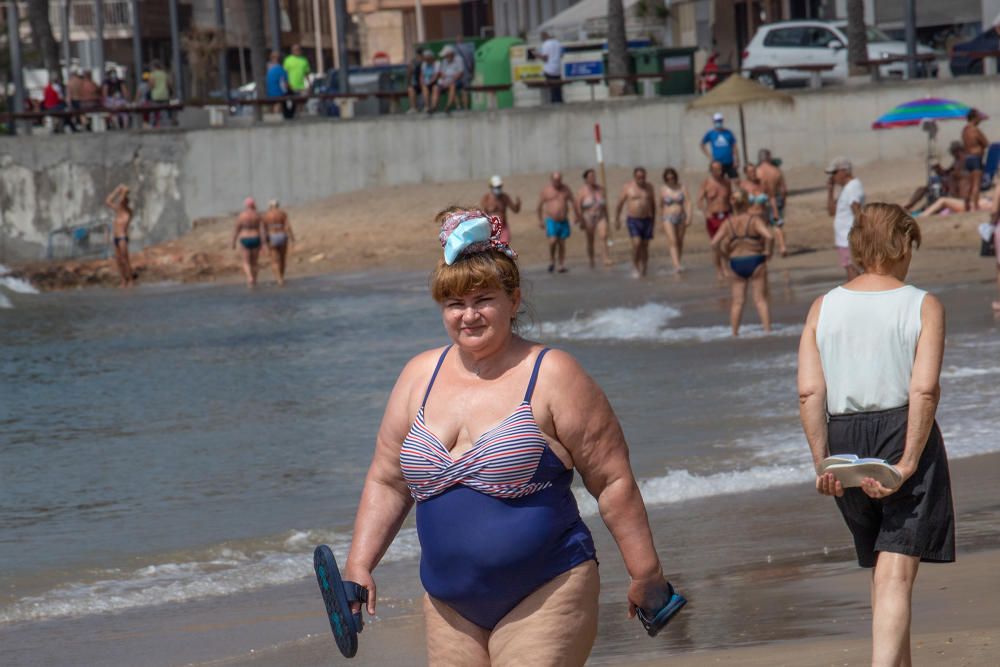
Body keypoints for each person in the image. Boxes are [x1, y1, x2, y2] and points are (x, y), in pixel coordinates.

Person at [342, 208, 684, 666]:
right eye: (454, 304)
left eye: (482, 299)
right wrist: (360, 564)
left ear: (514, 299)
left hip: (548, 589)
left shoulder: (553, 375)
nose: (468, 316)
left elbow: (612, 481)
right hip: (449, 607)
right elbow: (387, 481)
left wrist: (646, 572)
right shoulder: (417, 376)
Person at [798, 203, 955, 667]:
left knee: (883, 567)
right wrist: (908, 463)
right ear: (902, 243)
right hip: (900, 430)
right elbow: (924, 389)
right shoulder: (922, 304)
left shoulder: (823, 307)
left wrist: (822, 462)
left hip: (843, 439)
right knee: (895, 573)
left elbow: (809, 392)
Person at [710, 188, 773, 335]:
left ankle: (734, 333)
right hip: (756, 260)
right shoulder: (753, 220)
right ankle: (768, 331)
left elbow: (714, 243)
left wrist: (725, 256)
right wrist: (768, 251)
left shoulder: (728, 223)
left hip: (736, 262)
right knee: (760, 300)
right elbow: (769, 236)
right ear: (747, 203)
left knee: (737, 302)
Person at [826, 156, 864, 280]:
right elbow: (832, 212)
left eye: (834, 173)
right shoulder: (846, 189)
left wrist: (860, 233)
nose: (832, 177)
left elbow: (856, 209)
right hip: (843, 239)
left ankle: (856, 298)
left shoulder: (853, 186)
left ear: (844, 171)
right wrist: (830, 191)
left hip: (849, 238)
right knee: (850, 268)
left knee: (853, 270)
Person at [615, 167, 657, 278]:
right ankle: (635, 266)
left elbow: (653, 205)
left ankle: (644, 268)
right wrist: (617, 219)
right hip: (633, 220)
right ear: (634, 177)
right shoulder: (628, 187)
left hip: (647, 219)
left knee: (645, 246)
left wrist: (653, 221)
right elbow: (619, 204)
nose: (641, 179)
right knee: (637, 243)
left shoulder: (649, 187)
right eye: (639, 177)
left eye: (643, 177)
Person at [902, 142, 967, 211]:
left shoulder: (964, 160)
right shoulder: (957, 160)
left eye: (952, 152)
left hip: (953, 186)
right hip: (948, 182)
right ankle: (910, 204)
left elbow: (956, 175)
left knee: (928, 188)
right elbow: (947, 173)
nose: (952, 154)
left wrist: (945, 174)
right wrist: (938, 168)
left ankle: (911, 205)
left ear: (957, 150)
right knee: (924, 188)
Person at [537, 172, 580, 273]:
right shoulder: (546, 190)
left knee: (561, 243)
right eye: (555, 180)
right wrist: (540, 220)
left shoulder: (566, 189)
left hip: (563, 220)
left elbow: (573, 202)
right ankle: (552, 260)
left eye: (559, 180)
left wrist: (576, 215)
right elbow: (539, 206)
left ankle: (561, 264)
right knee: (553, 241)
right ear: (551, 180)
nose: (558, 182)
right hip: (551, 220)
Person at [697, 161, 733, 281]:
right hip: (713, 216)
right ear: (711, 170)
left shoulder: (726, 182)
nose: (718, 171)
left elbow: (731, 198)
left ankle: (725, 266)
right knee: (716, 244)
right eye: (715, 169)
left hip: (726, 215)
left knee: (726, 243)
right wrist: (705, 212)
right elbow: (699, 201)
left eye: (720, 168)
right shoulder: (706, 182)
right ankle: (719, 270)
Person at [742, 164, 786, 256]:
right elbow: (740, 203)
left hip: (763, 214)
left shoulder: (763, 183)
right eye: (750, 172)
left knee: (774, 229)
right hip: (750, 216)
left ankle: (781, 248)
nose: (753, 173)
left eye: (754, 171)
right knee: (756, 238)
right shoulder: (744, 186)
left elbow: (772, 198)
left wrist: (775, 212)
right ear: (746, 173)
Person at [756, 149, 789, 254]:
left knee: (762, 225)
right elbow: (784, 189)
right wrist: (783, 200)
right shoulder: (776, 170)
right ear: (768, 157)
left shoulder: (757, 171)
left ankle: (764, 248)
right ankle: (782, 247)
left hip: (762, 200)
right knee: (777, 224)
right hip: (776, 197)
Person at [659, 167, 692, 273]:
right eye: (668, 178)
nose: (670, 180)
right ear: (665, 179)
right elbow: (660, 205)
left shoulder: (682, 187)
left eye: (672, 177)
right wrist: (659, 221)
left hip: (681, 217)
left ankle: (678, 261)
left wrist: (689, 216)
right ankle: (676, 265)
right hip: (667, 217)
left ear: (675, 177)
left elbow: (688, 202)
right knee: (672, 241)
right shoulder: (663, 189)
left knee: (679, 241)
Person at [576, 169, 610, 268]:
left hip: (600, 216)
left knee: (604, 236)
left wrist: (607, 217)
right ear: (586, 179)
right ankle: (591, 259)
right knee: (590, 240)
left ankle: (606, 258)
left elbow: (605, 205)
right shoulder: (582, 191)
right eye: (590, 177)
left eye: (594, 176)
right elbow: (578, 206)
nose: (593, 178)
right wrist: (580, 220)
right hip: (588, 217)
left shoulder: (601, 189)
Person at [105, 184, 135, 287]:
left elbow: (125, 193)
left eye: (123, 201)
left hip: (122, 237)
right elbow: (108, 201)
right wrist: (117, 189)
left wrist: (123, 191)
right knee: (118, 260)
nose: (120, 202)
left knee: (125, 259)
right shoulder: (118, 211)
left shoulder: (128, 212)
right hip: (115, 237)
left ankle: (130, 280)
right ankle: (123, 280)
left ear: (126, 202)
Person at [232, 197, 264, 288]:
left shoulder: (242, 215)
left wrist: (233, 242)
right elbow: (262, 230)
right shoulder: (257, 215)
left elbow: (237, 229)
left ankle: (250, 278)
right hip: (256, 237)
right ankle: (255, 279)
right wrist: (263, 243)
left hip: (245, 238)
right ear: (254, 204)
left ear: (246, 205)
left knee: (246, 262)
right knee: (255, 262)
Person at [961, 108, 989, 211]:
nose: (980, 120)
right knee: (976, 184)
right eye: (979, 117)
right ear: (974, 118)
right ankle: (975, 207)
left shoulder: (964, 130)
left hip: (967, 158)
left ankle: (967, 206)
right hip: (976, 158)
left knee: (968, 184)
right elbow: (986, 143)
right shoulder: (975, 130)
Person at [479, 175, 521, 244]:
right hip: (491, 229)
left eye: (499, 187)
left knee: (503, 246)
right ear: (491, 187)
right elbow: (482, 214)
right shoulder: (486, 198)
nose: (498, 188)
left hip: (503, 228)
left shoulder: (505, 197)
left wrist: (518, 204)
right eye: (496, 187)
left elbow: (515, 210)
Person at [263, 200, 295, 286]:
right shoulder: (283, 213)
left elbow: (264, 229)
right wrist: (292, 238)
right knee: (282, 258)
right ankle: (282, 277)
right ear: (278, 205)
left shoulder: (266, 215)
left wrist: (265, 242)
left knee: (274, 260)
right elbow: (287, 226)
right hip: (282, 235)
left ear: (270, 206)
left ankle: (279, 279)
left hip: (272, 235)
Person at [700, 112, 739, 178]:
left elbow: (734, 146)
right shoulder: (710, 133)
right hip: (717, 163)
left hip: (730, 162)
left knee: (735, 180)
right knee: (719, 182)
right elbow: (702, 144)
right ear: (713, 122)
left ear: (722, 121)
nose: (718, 122)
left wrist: (737, 160)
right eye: (716, 121)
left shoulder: (728, 132)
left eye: (720, 121)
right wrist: (709, 156)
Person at [436, 46, 466, 113]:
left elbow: (460, 73)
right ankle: (434, 107)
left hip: (457, 81)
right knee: (436, 87)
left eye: (446, 55)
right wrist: (443, 80)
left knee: (452, 86)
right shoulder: (444, 61)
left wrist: (450, 81)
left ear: (450, 54)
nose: (445, 57)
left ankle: (448, 106)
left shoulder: (459, 59)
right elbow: (442, 73)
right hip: (446, 81)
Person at [539, 31, 563, 104]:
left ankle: (553, 101)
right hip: (558, 69)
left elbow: (545, 58)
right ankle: (559, 101)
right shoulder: (558, 43)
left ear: (544, 36)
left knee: (552, 88)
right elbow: (562, 55)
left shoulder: (545, 44)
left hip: (549, 69)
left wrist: (537, 55)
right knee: (557, 87)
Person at [266, 51, 292, 117]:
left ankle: (275, 114)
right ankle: (280, 115)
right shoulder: (281, 69)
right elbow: (285, 84)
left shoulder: (269, 68)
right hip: (278, 93)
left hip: (269, 93)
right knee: (290, 96)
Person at [453, 35, 476, 110]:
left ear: (456, 40)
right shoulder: (469, 48)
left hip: (457, 73)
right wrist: (472, 71)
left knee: (454, 89)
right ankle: (466, 107)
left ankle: (458, 106)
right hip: (467, 73)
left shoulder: (454, 49)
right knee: (464, 90)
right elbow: (473, 61)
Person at [149, 60, 172, 126]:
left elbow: (151, 85)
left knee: (154, 111)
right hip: (164, 95)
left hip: (156, 95)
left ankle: (153, 124)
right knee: (164, 111)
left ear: (154, 67)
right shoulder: (164, 74)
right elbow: (169, 84)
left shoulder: (153, 74)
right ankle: (167, 125)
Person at [420, 50, 441, 115]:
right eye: (425, 58)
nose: (426, 60)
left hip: (435, 82)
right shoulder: (424, 64)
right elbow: (422, 75)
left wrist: (430, 82)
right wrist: (423, 82)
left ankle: (434, 107)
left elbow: (436, 75)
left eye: (427, 58)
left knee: (435, 88)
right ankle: (427, 106)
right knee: (424, 88)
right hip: (426, 83)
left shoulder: (437, 63)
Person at [406, 47, 425, 113]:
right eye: (418, 54)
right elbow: (409, 73)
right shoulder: (413, 62)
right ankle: (413, 108)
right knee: (411, 89)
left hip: (425, 83)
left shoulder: (426, 61)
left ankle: (425, 107)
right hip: (416, 84)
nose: (419, 56)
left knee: (424, 88)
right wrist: (409, 83)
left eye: (421, 54)